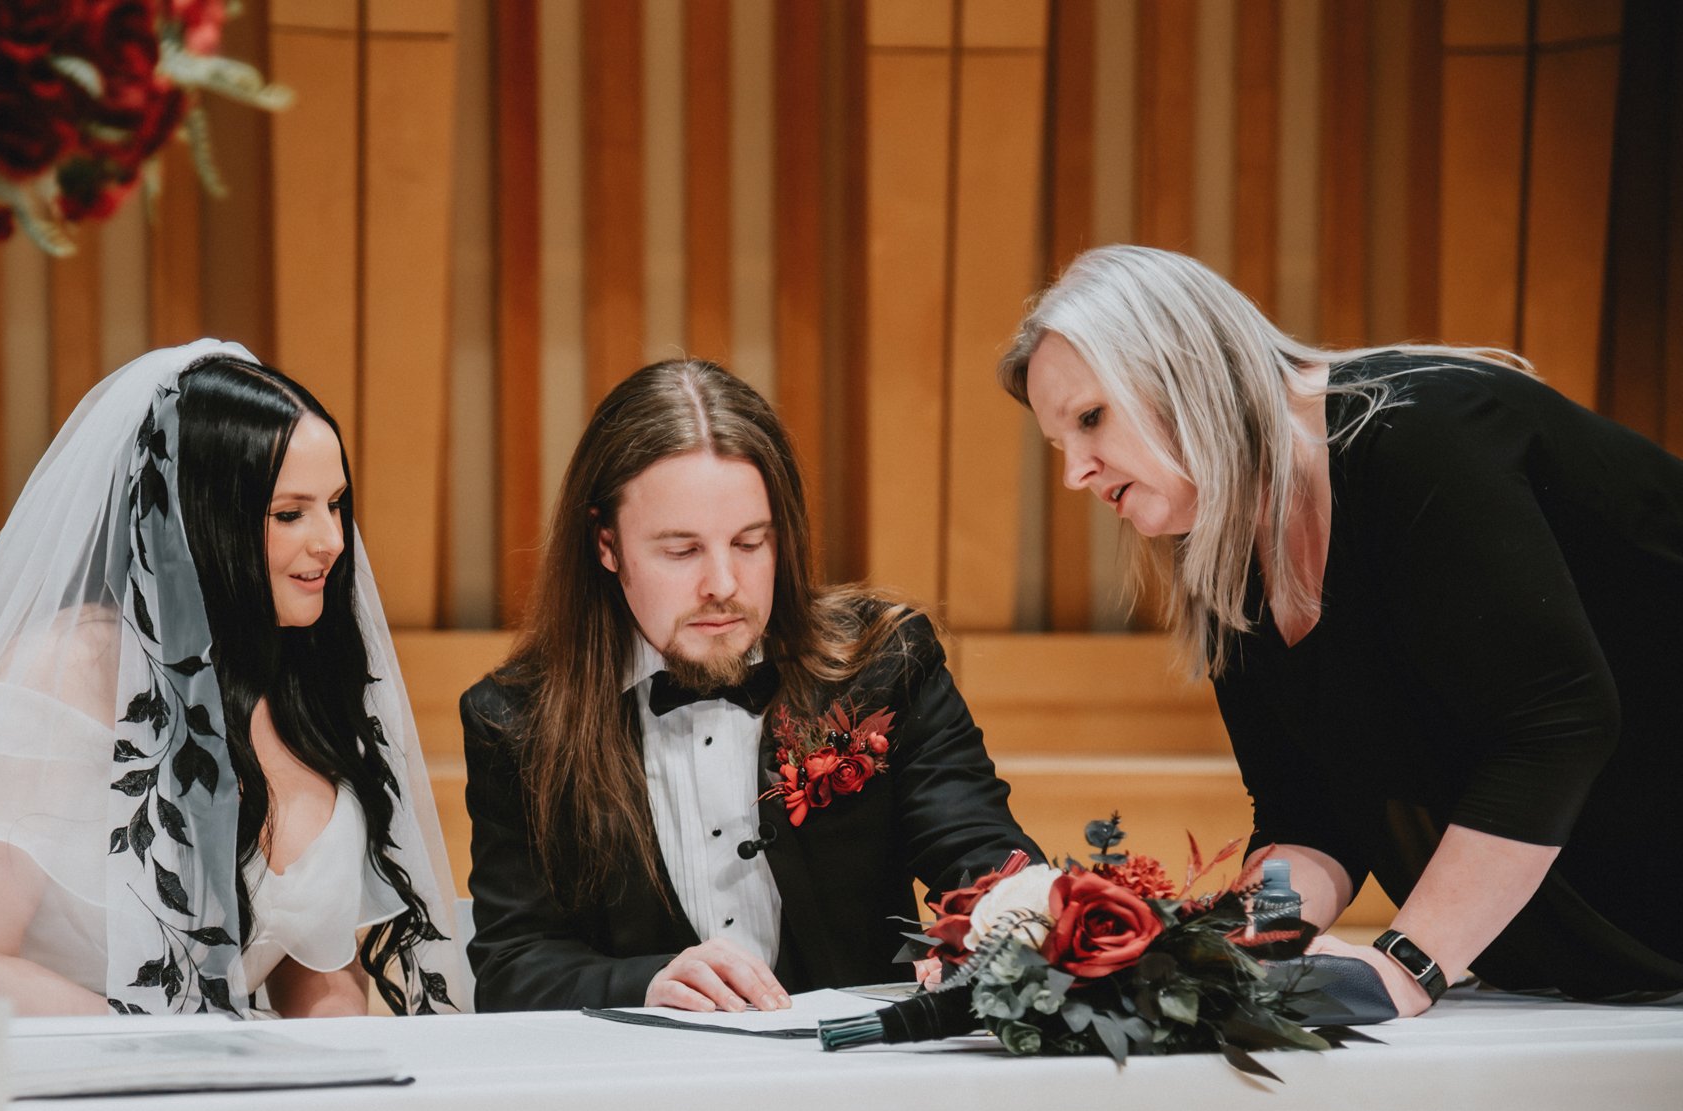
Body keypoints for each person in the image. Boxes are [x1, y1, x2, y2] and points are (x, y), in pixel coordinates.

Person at [1000, 244, 1683, 1015]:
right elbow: (1309, 814)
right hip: (1604, 962)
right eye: (1062, 446)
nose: (1075, 476)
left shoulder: (1425, 433)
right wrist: (1226, 952)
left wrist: (1407, 964)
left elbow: (1561, 720)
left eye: (1092, 419)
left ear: (1184, 366)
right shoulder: (1225, 555)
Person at [461, 359, 1041, 1012]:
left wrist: (1001, 926)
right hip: (646, 1088)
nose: (723, 584)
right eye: (681, 551)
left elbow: (984, 856)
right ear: (606, 542)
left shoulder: (885, 663)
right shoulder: (516, 720)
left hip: (858, 1079)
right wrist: (647, 984)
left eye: (749, 542)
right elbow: (514, 965)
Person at [0, 342, 468, 1017]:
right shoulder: (50, 680)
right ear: (202, 519)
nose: (332, 540)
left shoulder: (300, 681)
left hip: (245, 1096)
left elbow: (312, 961)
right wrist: (170, 1050)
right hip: (76, 1092)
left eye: (336, 504)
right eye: (291, 513)